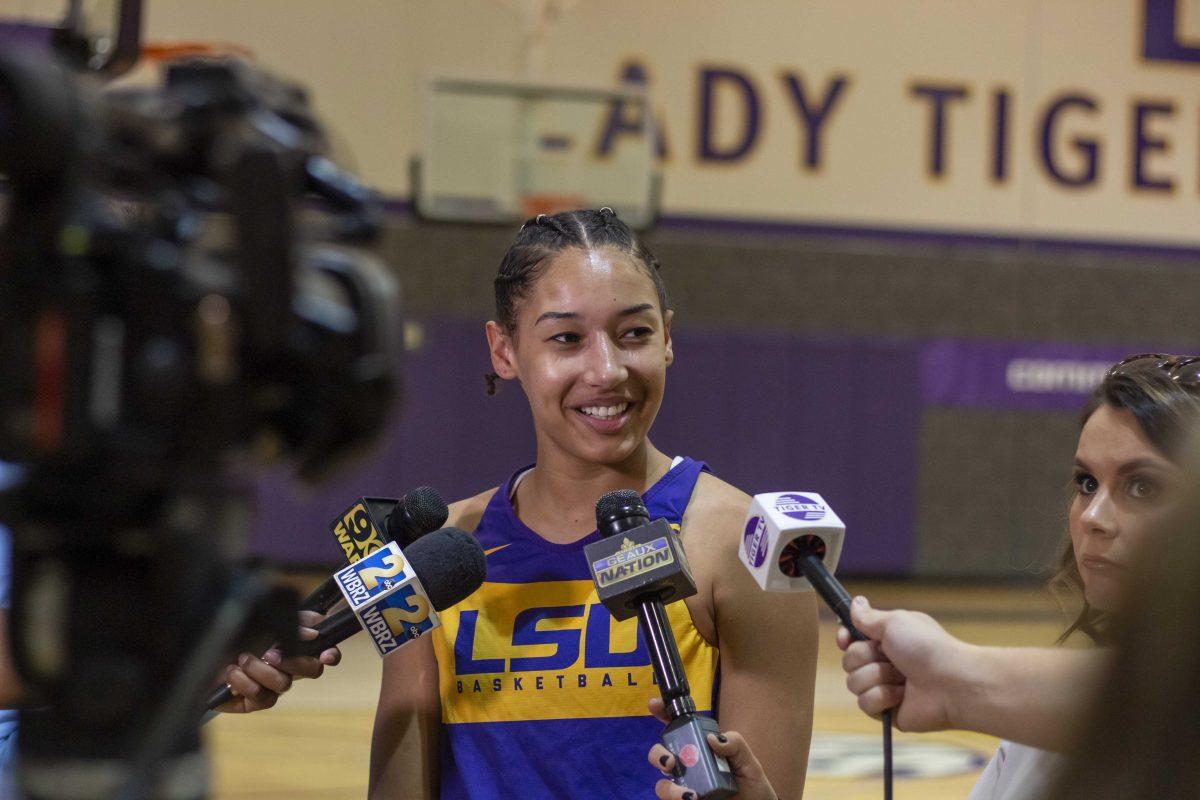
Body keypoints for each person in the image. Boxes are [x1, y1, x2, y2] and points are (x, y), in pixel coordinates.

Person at [368, 209, 819, 799]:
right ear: (504, 351)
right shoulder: (435, 554)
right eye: (566, 338)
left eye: (634, 333)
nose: (607, 371)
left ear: (668, 338)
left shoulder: (744, 545)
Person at [837, 353, 1200, 799]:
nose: (1094, 516)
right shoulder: (1041, 722)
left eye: (1143, 486)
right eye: (1087, 483)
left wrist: (953, 678)